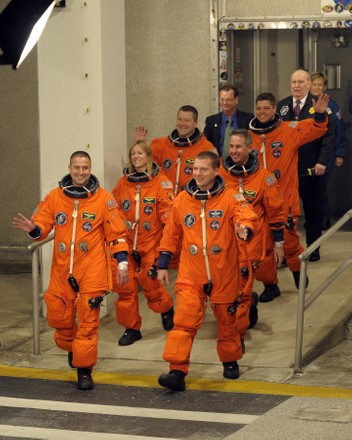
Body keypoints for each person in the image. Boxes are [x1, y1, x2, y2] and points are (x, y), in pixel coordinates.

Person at [12, 151, 129, 391]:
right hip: (63, 270)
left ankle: (84, 371)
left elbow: (117, 234)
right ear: (69, 167)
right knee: (57, 315)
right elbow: (42, 227)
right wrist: (33, 228)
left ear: (90, 168)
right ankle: (73, 348)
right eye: (77, 167)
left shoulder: (104, 199)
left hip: (92, 270)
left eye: (85, 167)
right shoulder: (55, 197)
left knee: (88, 322)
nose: (81, 172)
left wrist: (123, 263)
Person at [156, 150, 258, 391]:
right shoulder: (182, 199)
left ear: (215, 170)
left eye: (203, 169)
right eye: (194, 169)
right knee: (183, 322)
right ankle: (176, 372)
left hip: (224, 272)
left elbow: (246, 216)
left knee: (227, 320)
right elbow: (170, 233)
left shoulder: (231, 198)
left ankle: (230, 360)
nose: (198, 173)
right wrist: (162, 264)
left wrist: (244, 228)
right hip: (192, 273)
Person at [249, 92, 329, 295]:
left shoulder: (288, 130)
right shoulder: (249, 137)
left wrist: (319, 115)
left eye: (266, 108)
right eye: (259, 108)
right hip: (258, 204)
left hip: (284, 201)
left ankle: (297, 271)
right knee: (263, 247)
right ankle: (270, 285)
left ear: (275, 109)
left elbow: (314, 129)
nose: (262, 112)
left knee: (289, 241)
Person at [111, 140, 175, 346]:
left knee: (151, 282)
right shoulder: (123, 183)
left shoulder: (161, 182)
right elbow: (113, 206)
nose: (136, 157)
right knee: (124, 287)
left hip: (151, 243)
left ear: (148, 156)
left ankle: (166, 310)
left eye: (140, 153)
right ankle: (131, 329)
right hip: (127, 243)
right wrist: (120, 220)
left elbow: (169, 212)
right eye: (133, 154)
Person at [220, 129, 285, 319]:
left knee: (243, 281)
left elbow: (276, 211)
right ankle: (249, 306)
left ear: (250, 148)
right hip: (227, 237)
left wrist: (278, 243)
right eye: (231, 146)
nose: (234, 150)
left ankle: (247, 309)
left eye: (238, 146)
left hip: (254, 238)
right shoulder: (221, 174)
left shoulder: (264, 177)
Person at [277, 69, 334, 262]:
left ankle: (313, 248)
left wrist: (322, 161)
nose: (297, 86)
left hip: (311, 168)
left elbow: (328, 136)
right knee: (286, 214)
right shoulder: (282, 106)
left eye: (301, 82)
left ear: (309, 84)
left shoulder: (319, 105)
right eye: (294, 82)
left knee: (314, 211)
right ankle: (286, 251)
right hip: (287, 171)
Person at [134, 105, 217, 195]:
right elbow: (143, 164)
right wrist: (139, 145)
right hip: (166, 199)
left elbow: (215, 176)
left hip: (192, 200)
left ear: (195, 123)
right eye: (179, 119)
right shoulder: (162, 144)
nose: (182, 123)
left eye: (187, 120)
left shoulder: (206, 147)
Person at [310, 71, 348, 229]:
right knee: (309, 186)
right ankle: (312, 218)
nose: (317, 87)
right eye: (314, 84)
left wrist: (340, 152)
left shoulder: (332, 105)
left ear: (324, 87)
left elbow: (339, 129)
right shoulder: (304, 104)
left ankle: (323, 218)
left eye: (320, 84)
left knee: (321, 185)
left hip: (327, 152)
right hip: (309, 152)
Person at [203, 84, 254, 158]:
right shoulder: (211, 120)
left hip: (241, 162)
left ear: (236, 100)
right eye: (222, 99)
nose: (224, 103)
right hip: (218, 164)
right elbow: (204, 142)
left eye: (228, 100)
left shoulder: (248, 119)